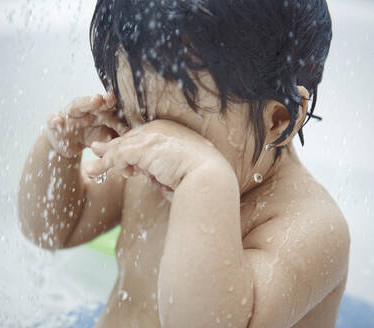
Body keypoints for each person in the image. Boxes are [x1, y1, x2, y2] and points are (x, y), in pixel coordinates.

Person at [18, 0, 350, 327]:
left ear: (279, 119)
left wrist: (206, 180)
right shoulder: (151, 168)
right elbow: (56, 230)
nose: (152, 143)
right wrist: (59, 149)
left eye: (178, 131)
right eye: (135, 115)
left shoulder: (310, 228)